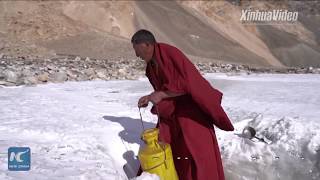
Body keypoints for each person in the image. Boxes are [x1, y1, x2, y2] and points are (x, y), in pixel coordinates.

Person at [132, 29, 234, 180]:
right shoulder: (152, 65)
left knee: (198, 153)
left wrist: (161, 95)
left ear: (147, 44)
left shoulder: (170, 53)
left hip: (191, 110)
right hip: (174, 112)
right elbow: (165, 87)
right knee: (172, 147)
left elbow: (188, 83)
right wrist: (150, 97)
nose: (137, 55)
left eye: (137, 50)